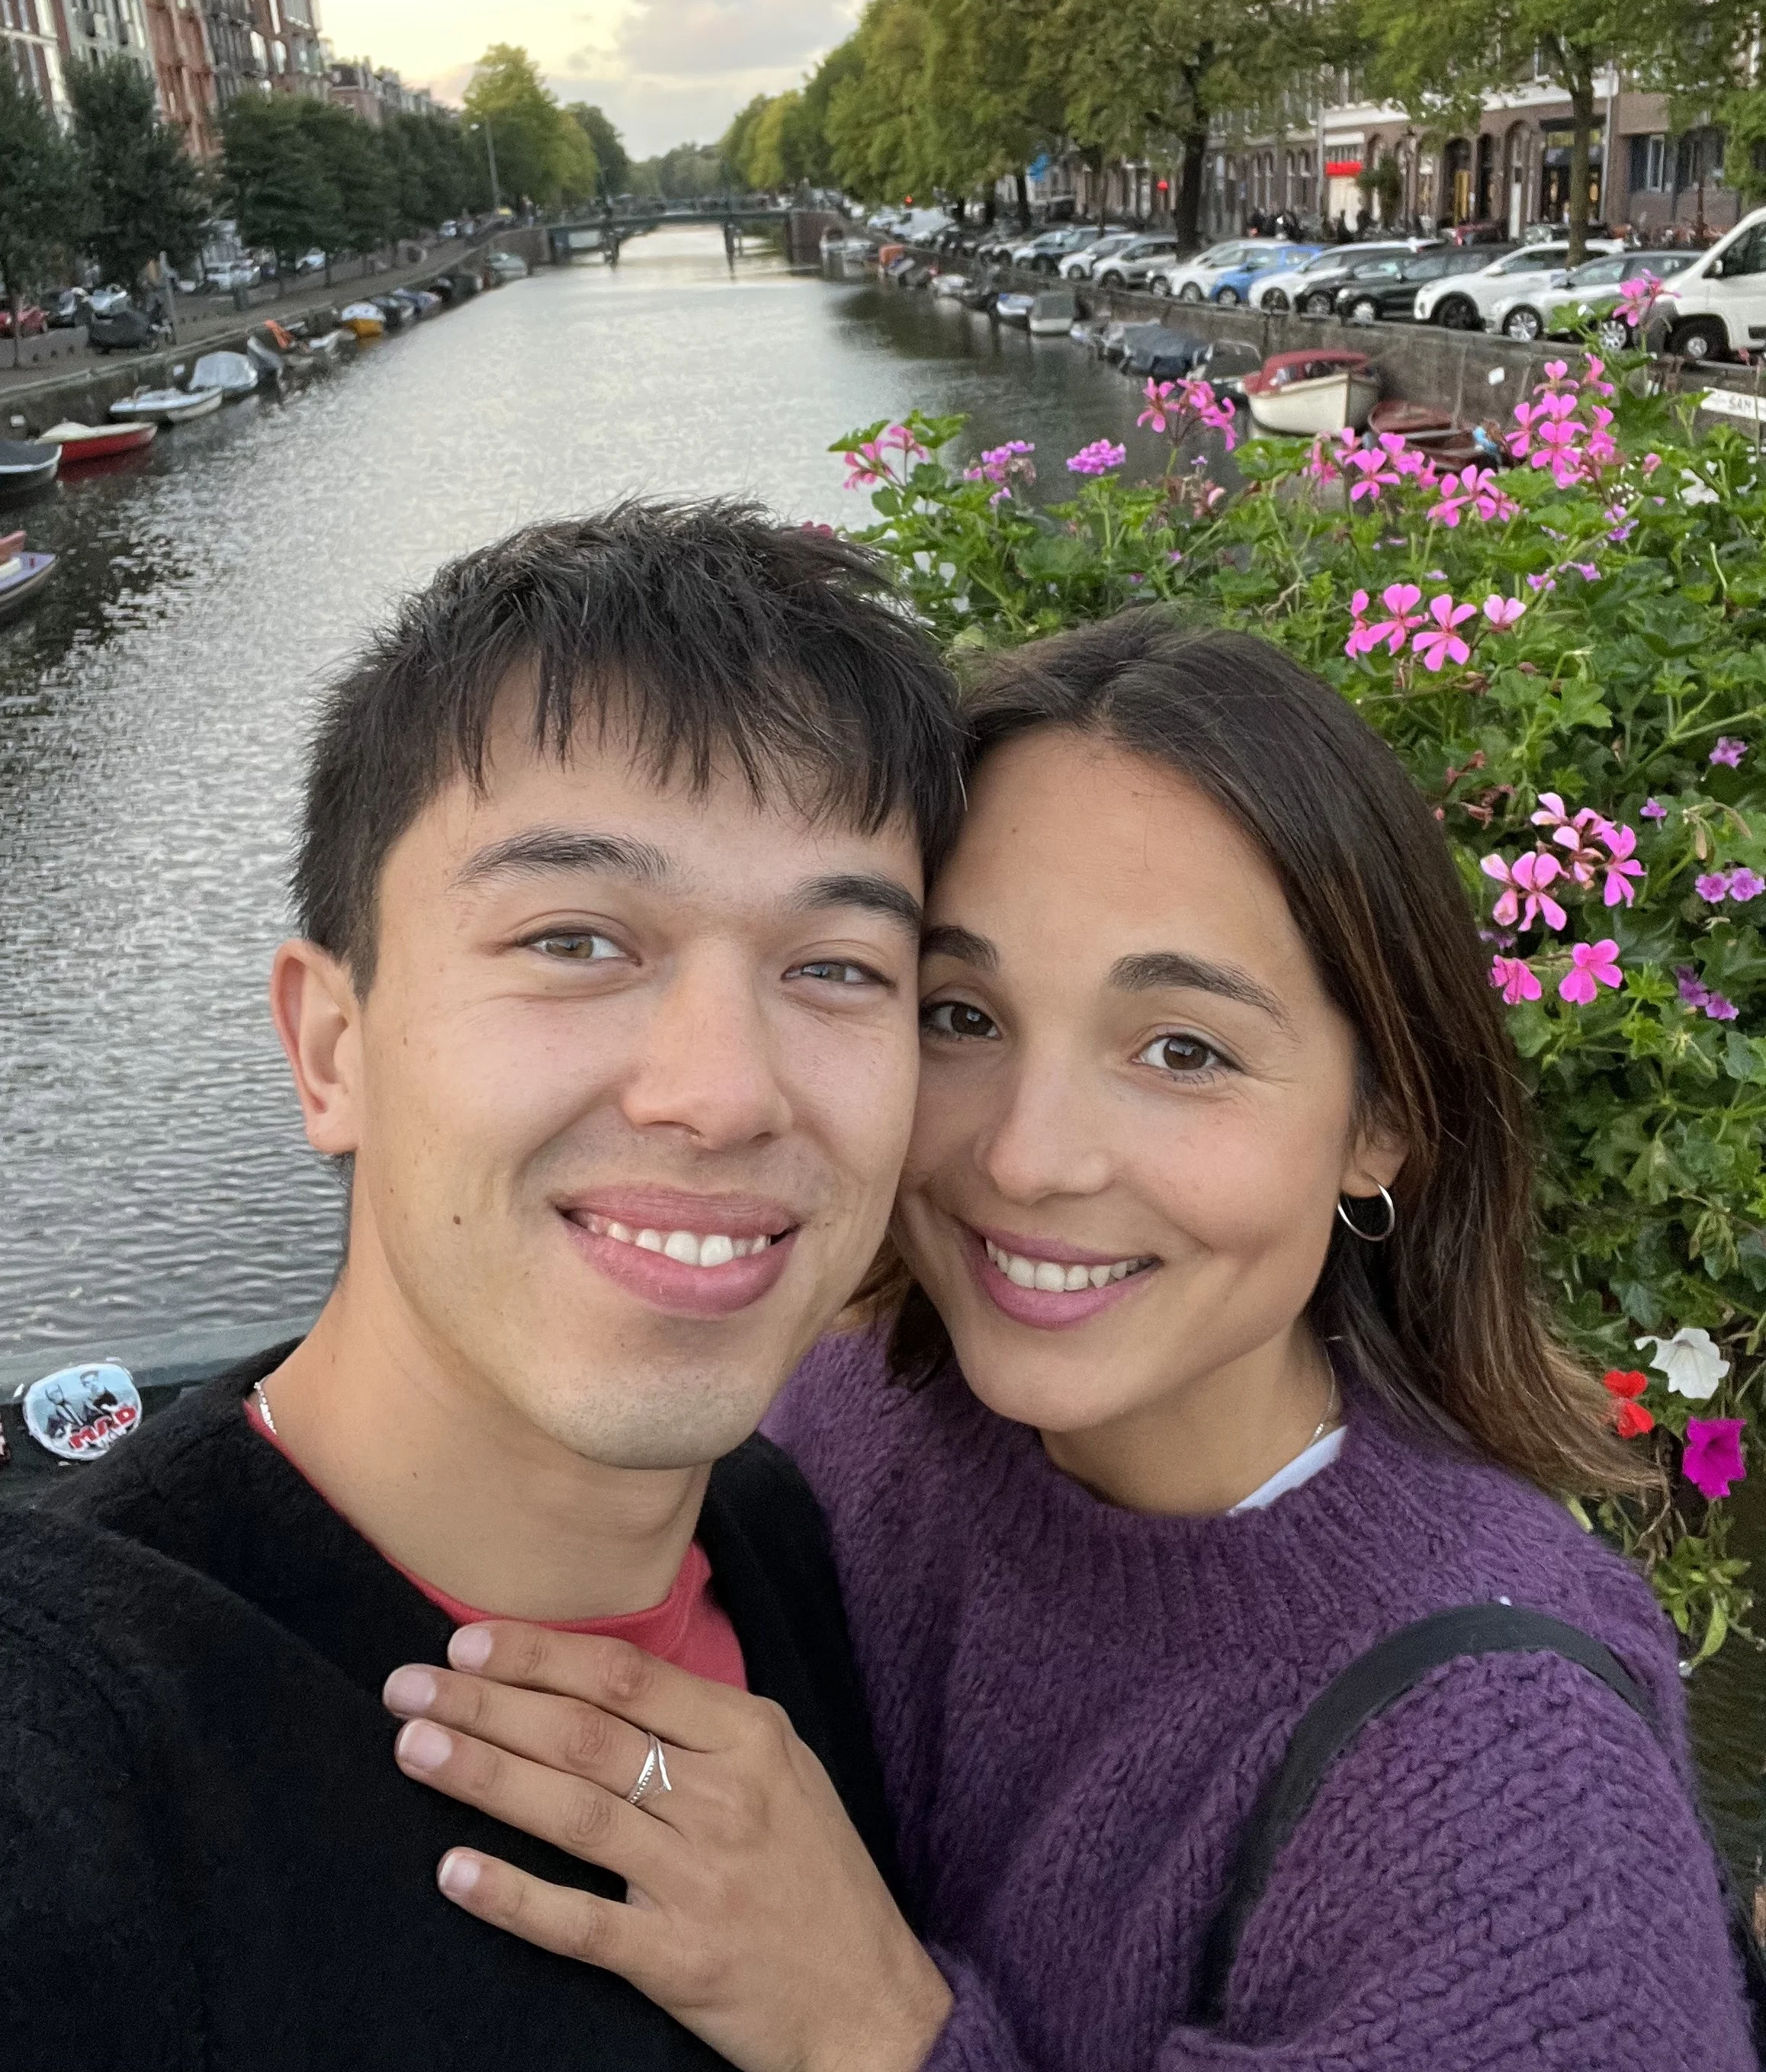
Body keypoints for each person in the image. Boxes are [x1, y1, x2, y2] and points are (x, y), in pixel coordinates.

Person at [397, 615, 1758, 2069]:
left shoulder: (1515, 1799)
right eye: (962, 1015)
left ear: (1381, 1123)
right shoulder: (845, 1415)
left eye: (1183, 1050)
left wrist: (870, 2027)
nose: (1032, 1160)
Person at [0, 504, 966, 2072]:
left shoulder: (778, 1535)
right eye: (577, 936)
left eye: (840, 967)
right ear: (331, 1046)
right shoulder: (76, 1752)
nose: (723, 1092)